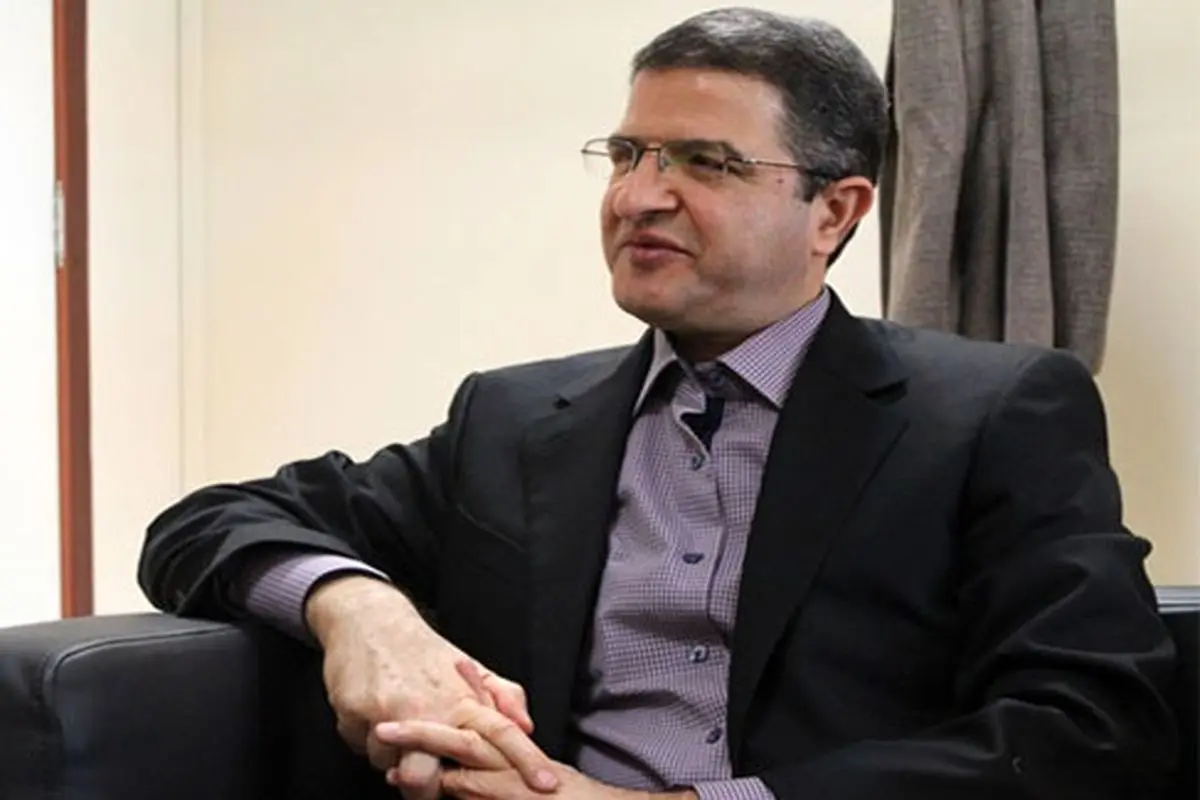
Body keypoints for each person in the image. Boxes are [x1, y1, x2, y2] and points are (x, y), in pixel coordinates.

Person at [137, 7, 1178, 800]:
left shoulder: (991, 413)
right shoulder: (514, 419)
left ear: (834, 210)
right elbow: (203, 525)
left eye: (705, 163)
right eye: (629, 154)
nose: (639, 195)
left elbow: (1093, 723)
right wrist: (358, 609)